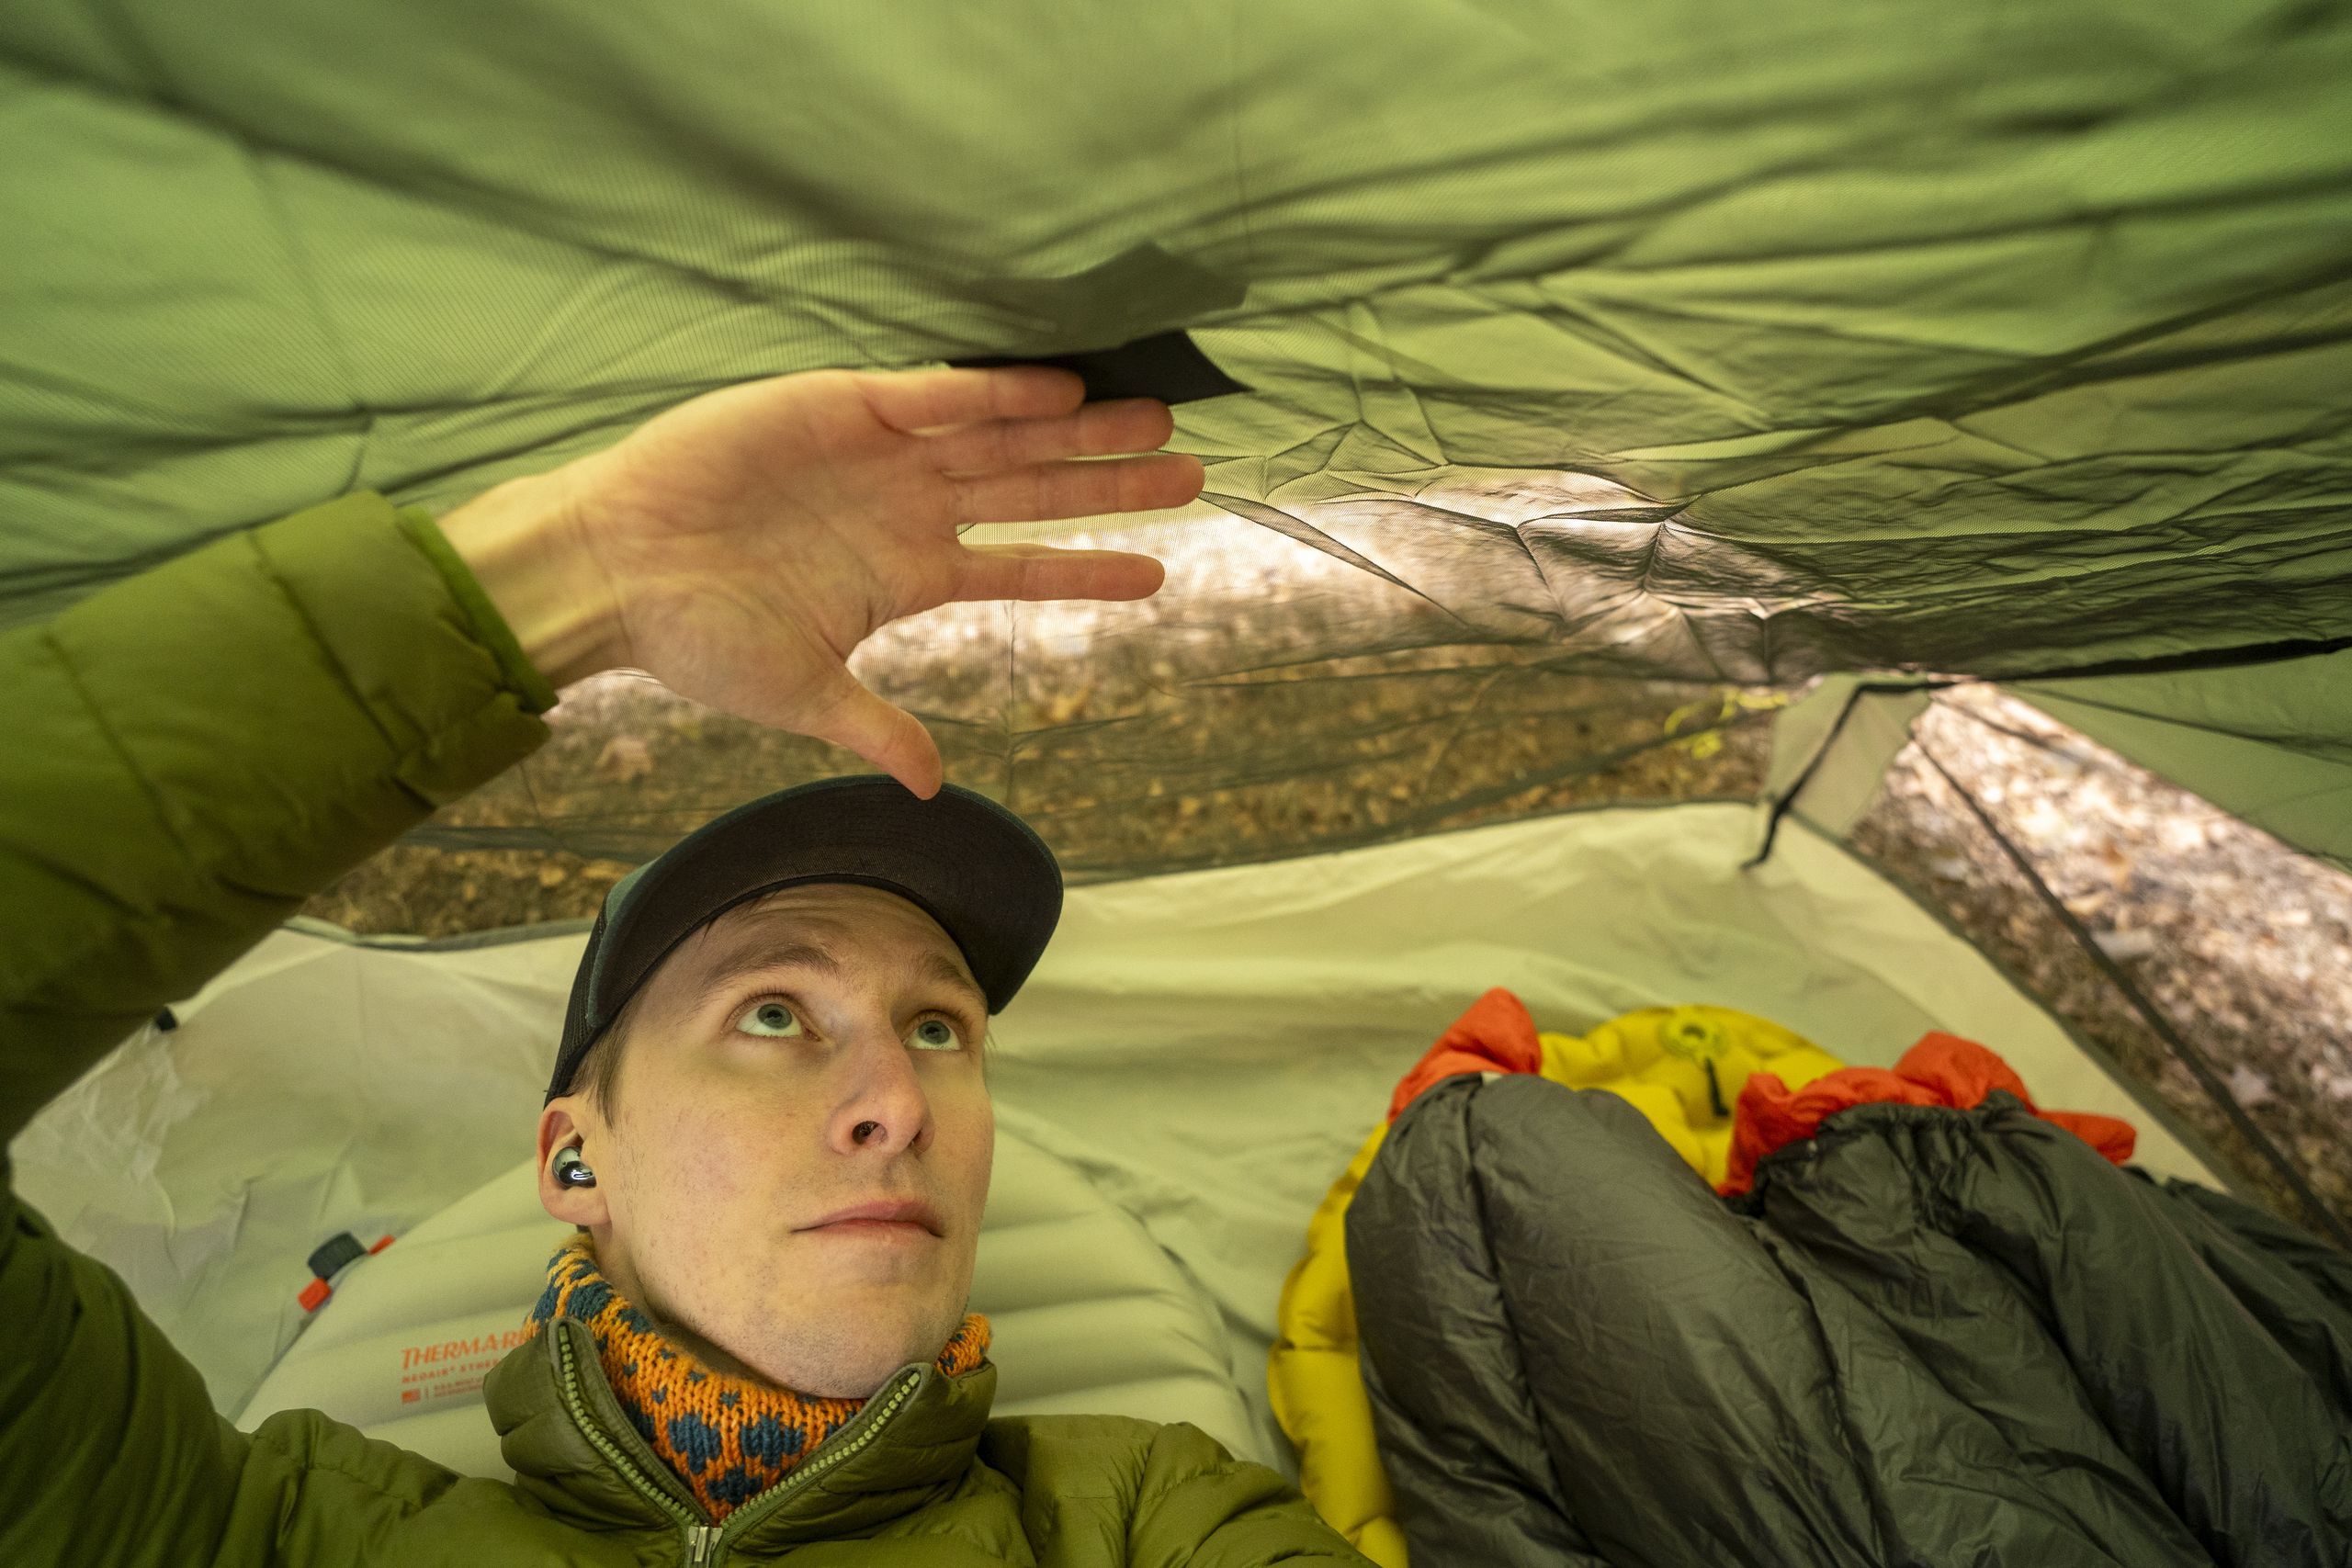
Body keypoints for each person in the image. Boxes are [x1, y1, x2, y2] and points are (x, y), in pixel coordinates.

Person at [0, 365, 1373, 1567]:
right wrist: (564, 581)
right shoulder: (274, 1536)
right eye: (774, 1012)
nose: (897, 1099)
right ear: (575, 1161)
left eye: (942, 1027)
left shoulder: (1142, 1516)